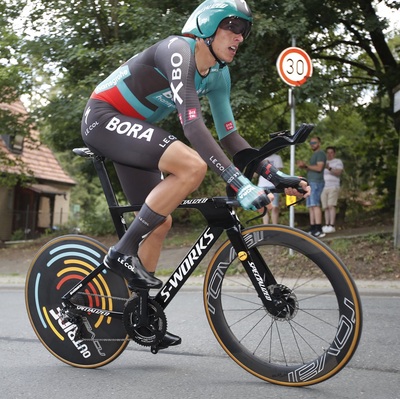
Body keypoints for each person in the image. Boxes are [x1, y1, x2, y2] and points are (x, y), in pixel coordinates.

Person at [80, 0, 309, 349]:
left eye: (244, 30)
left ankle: (140, 315)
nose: (239, 36)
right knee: (192, 165)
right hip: (102, 117)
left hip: (132, 129)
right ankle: (122, 252)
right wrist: (238, 182)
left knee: (159, 222)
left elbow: (230, 137)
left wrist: (273, 176)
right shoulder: (178, 50)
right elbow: (193, 126)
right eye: (232, 26)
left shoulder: (219, 75)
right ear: (206, 25)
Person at [297, 136, 327, 237]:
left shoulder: (320, 153)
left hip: (317, 182)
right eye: (311, 143)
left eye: (314, 143)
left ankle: (319, 229)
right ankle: (313, 228)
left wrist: (305, 166)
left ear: (319, 143)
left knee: (315, 204)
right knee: (311, 206)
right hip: (311, 182)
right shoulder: (314, 154)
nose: (312, 144)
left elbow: (319, 168)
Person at [321, 146, 343, 233]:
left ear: (334, 153)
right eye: (328, 153)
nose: (329, 154)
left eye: (331, 152)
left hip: (333, 186)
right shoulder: (323, 163)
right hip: (324, 187)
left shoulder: (337, 162)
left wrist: (329, 168)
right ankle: (327, 225)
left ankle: (332, 225)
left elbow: (338, 172)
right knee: (325, 207)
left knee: (331, 205)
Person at [257, 153, 284, 224]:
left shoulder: (277, 157)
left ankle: (275, 227)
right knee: (264, 208)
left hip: (273, 185)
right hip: (262, 185)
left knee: (274, 207)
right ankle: (266, 227)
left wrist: (269, 165)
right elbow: (254, 174)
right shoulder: (260, 158)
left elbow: (278, 173)